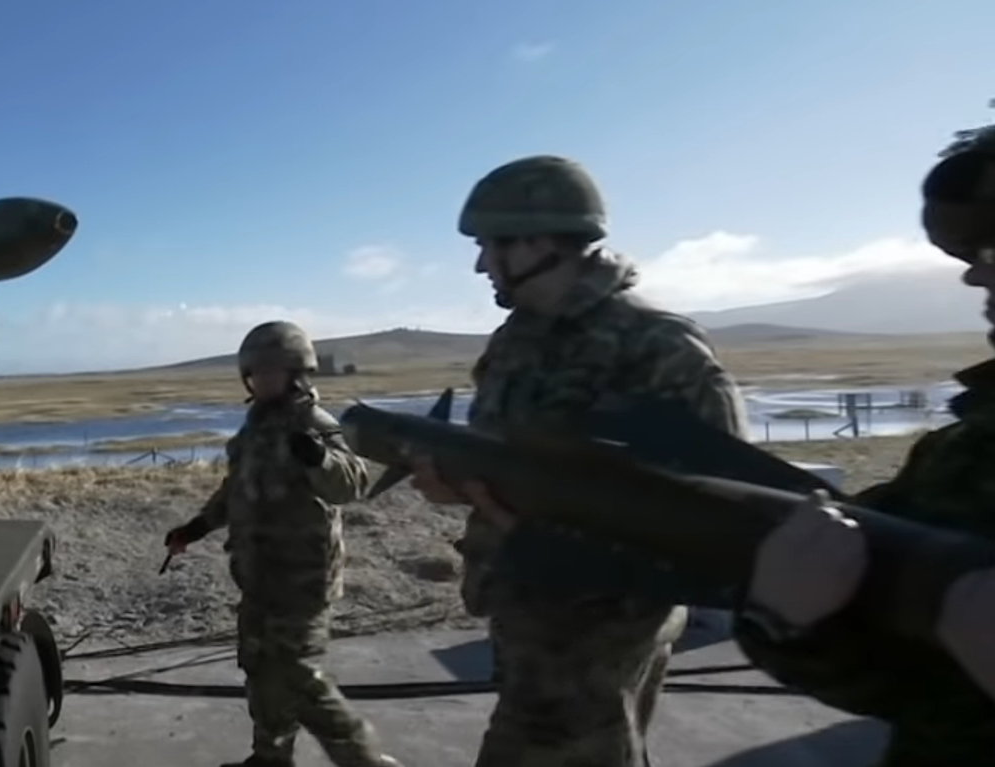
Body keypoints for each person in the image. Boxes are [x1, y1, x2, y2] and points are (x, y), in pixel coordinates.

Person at [408, 155, 749, 766]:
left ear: (540, 240)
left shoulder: (658, 346)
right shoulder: (517, 342)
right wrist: (457, 487)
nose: (481, 263)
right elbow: (516, 469)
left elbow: (722, 509)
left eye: (490, 245)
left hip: (601, 626)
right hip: (525, 610)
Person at [726, 133, 995, 764]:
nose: (974, 273)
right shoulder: (965, 449)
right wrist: (787, 624)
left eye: (993, 248)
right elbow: (910, 688)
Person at [161, 321, 404, 767]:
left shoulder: (314, 423)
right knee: (262, 673)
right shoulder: (254, 429)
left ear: (296, 372)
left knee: (301, 679)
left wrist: (318, 458)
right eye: (256, 372)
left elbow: (352, 483)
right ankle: (270, 759)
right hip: (259, 578)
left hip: (303, 580)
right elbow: (235, 491)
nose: (263, 379)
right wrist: (196, 528)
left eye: (273, 371)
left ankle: (364, 760)